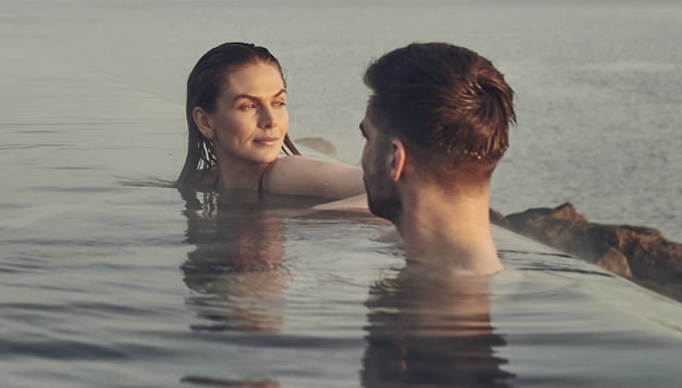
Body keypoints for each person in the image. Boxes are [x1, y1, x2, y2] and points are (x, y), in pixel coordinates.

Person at [359, 42, 516, 275]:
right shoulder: (488, 275)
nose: (361, 157)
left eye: (367, 137)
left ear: (395, 159)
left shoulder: (438, 299)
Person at [178, 42, 366, 205]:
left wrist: (317, 216)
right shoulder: (204, 180)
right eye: (249, 106)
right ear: (205, 122)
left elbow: (392, 190)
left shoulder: (285, 174)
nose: (271, 121)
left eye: (278, 103)